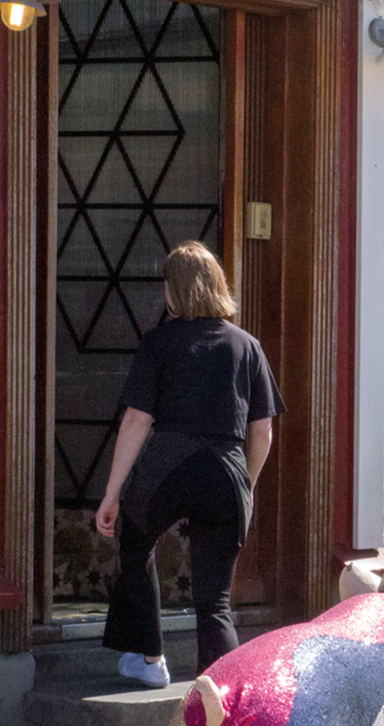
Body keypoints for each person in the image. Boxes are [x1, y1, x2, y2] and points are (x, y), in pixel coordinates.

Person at [97, 241, 285, 687]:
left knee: (136, 545)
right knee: (215, 599)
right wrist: (247, 487)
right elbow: (263, 431)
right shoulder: (248, 346)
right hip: (227, 469)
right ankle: (220, 695)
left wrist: (112, 492)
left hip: (167, 465)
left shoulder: (158, 342)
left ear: (172, 291)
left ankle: (150, 659)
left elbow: (137, 419)